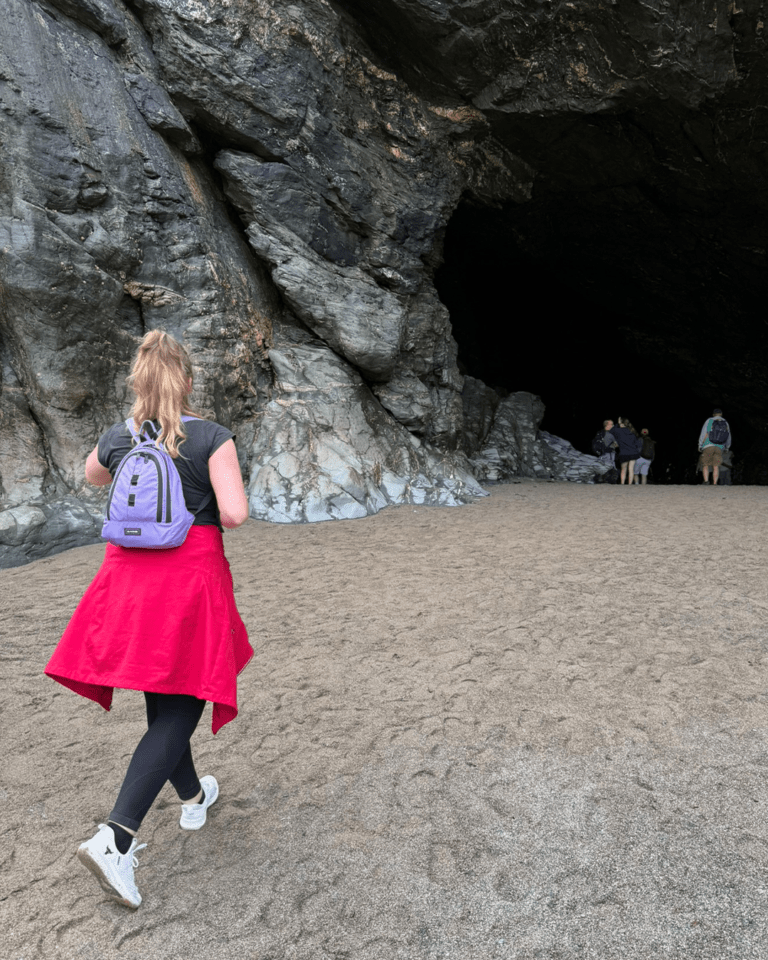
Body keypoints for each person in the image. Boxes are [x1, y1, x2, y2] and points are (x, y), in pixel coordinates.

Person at [45, 330, 253, 910]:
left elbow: (92, 475)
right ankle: (114, 839)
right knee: (186, 699)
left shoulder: (120, 436)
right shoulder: (210, 436)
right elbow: (234, 514)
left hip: (128, 581)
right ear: (187, 379)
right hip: (188, 582)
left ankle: (194, 797)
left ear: (137, 381)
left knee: (165, 692)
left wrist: (132, 443)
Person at [698, 408, 731, 485]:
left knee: (705, 464)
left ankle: (706, 481)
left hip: (708, 445)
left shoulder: (710, 421)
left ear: (713, 414)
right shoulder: (725, 422)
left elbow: (704, 433)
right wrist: (727, 447)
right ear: (721, 414)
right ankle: (715, 483)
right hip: (720, 446)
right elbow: (728, 436)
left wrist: (700, 445)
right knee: (716, 465)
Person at [609, 417, 643, 485]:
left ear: (621, 423)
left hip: (624, 453)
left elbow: (611, 431)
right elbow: (637, 443)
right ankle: (629, 485)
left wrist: (617, 424)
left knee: (623, 470)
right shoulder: (632, 431)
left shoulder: (618, 431)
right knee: (631, 469)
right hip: (633, 453)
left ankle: (622, 484)